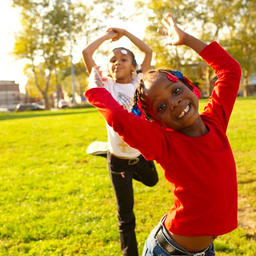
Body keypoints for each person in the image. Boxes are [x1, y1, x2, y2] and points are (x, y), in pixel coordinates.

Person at [85, 13, 241, 256]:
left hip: (204, 250)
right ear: (156, 122)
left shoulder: (216, 120)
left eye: (176, 90)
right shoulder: (164, 142)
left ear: (190, 86)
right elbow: (118, 117)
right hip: (168, 251)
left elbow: (230, 70)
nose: (175, 103)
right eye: (161, 107)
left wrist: (187, 39)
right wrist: (95, 86)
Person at [82, 28, 159, 256]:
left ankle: (109, 151)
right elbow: (87, 53)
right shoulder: (106, 85)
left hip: (141, 155)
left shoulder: (140, 81)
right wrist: (107, 37)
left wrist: (125, 34)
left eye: (123, 59)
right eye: (113, 60)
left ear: (133, 66)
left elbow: (148, 51)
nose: (117, 63)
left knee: (153, 180)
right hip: (118, 161)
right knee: (125, 215)